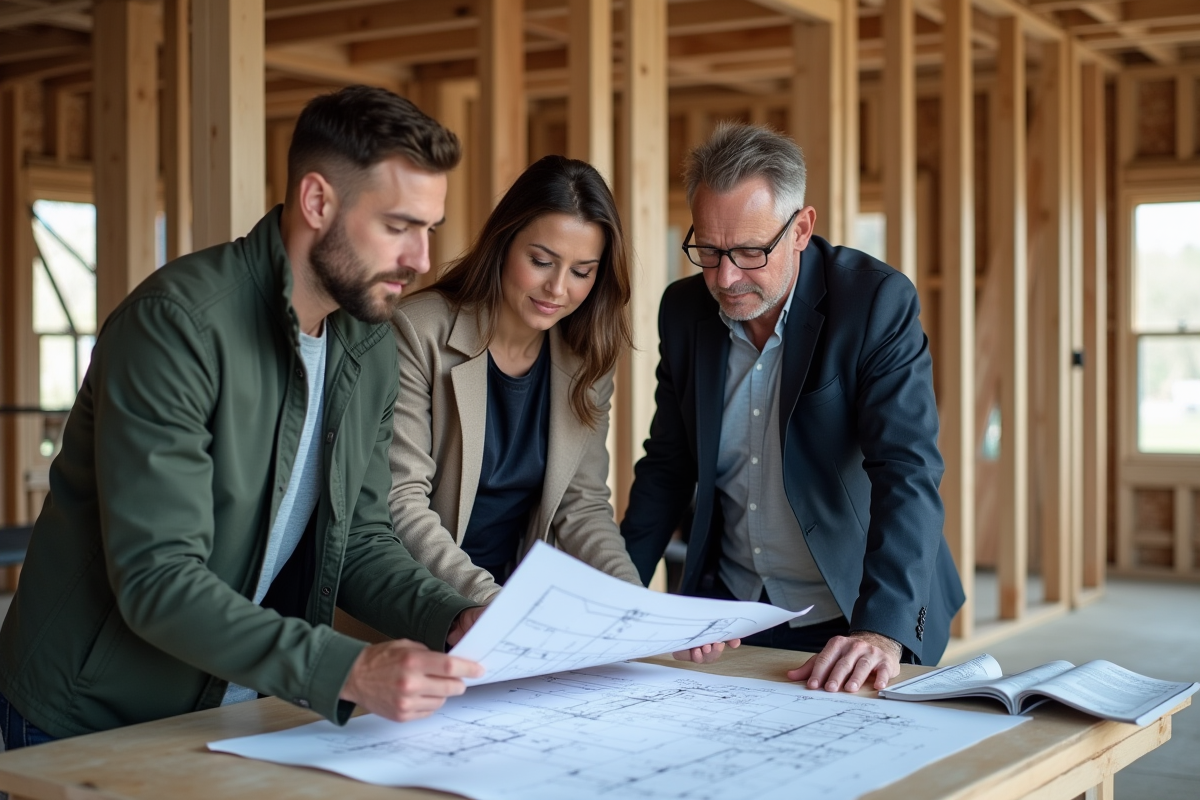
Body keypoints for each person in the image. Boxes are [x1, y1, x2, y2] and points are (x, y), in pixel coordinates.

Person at [0, 86, 488, 750]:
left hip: (236, 708)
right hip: (89, 716)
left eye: (428, 229)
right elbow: (158, 580)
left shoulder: (370, 343)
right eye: (398, 226)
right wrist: (346, 667)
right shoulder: (176, 327)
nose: (421, 259)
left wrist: (453, 615)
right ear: (318, 201)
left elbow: (363, 542)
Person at [620, 123, 965, 693]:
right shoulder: (683, 311)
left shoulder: (875, 302)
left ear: (801, 228)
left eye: (751, 252)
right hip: (730, 610)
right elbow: (667, 467)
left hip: (854, 611)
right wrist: (619, 597)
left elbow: (907, 472)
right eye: (708, 250)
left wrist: (881, 630)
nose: (726, 278)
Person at [386, 155, 641, 603]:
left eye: (582, 271)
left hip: (510, 608)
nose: (558, 289)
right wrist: (489, 603)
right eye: (542, 261)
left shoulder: (586, 358)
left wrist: (639, 603)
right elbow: (402, 501)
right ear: (505, 243)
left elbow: (580, 505)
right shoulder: (418, 331)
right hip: (417, 606)